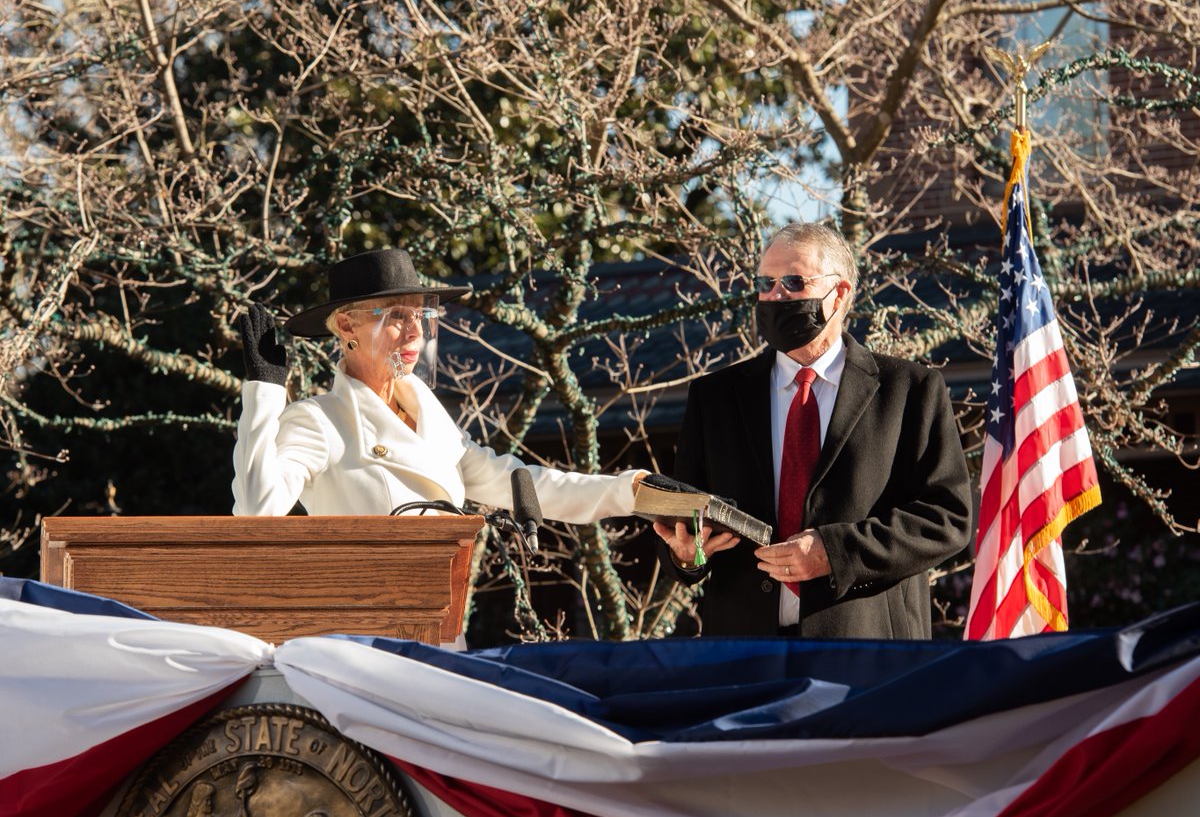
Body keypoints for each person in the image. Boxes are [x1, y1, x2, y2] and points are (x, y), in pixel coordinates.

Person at [655, 222, 971, 639]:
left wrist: (834, 553)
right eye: (765, 283)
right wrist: (684, 554)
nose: (775, 296)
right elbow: (683, 516)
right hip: (744, 651)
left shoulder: (910, 391)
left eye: (792, 282)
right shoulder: (714, 398)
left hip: (867, 650)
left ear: (839, 294)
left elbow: (947, 519)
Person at [232, 247, 642, 523]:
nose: (416, 333)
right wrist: (264, 393)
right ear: (345, 325)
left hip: (440, 633)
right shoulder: (320, 421)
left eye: (421, 317)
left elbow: (519, 484)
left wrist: (633, 492)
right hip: (361, 640)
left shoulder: (427, 414)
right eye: (396, 316)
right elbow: (255, 510)